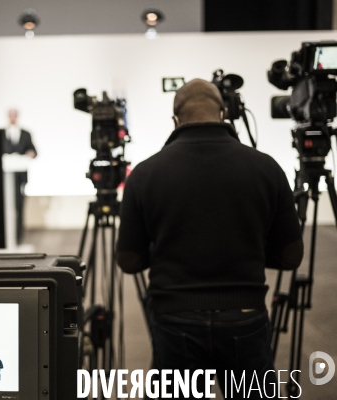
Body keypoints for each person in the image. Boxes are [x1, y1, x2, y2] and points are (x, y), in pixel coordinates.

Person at [116, 79, 303, 398]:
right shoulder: (266, 168)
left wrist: (162, 247)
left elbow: (130, 261)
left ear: (175, 120)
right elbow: (291, 256)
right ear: (223, 114)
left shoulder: (145, 174)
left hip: (175, 317)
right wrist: (253, 250)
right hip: (245, 315)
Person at [3, 108, 37, 243]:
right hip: (5, 177)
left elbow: (34, 150)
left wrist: (31, 153)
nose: (12, 118)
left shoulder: (25, 134)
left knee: (19, 206)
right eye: (10, 115)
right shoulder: (1, 134)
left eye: (14, 115)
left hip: (20, 177)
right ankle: (5, 237)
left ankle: (18, 237)